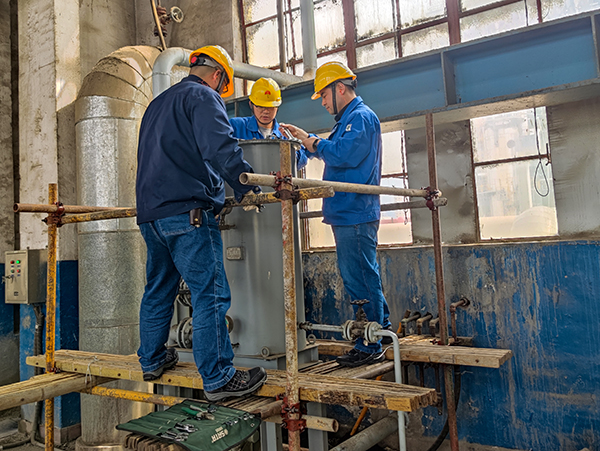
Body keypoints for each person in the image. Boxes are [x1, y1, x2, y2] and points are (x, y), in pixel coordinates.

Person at [135, 45, 267, 401]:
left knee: (158, 288)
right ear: (219, 76)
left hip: (151, 216)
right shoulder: (204, 97)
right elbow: (219, 148)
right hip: (188, 214)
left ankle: (151, 358)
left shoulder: (157, 105)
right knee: (209, 293)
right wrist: (244, 182)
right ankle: (219, 377)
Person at [280, 61, 393, 368]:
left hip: (355, 211)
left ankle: (371, 342)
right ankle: (378, 331)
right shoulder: (349, 121)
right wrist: (309, 140)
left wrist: (313, 142)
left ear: (339, 88)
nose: (325, 102)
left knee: (360, 277)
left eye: (325, 95)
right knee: (359, 275)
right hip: (346, 211)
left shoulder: (361, 118)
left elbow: (344, 154)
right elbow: (336, 149)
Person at [230, 77, 308, 168]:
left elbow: (302, 160)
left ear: (277, 107)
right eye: (260, 106)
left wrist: (292, 148)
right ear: (251, 105)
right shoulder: (236, 127)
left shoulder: (284, 135)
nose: (266, 111)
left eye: (270, 107)